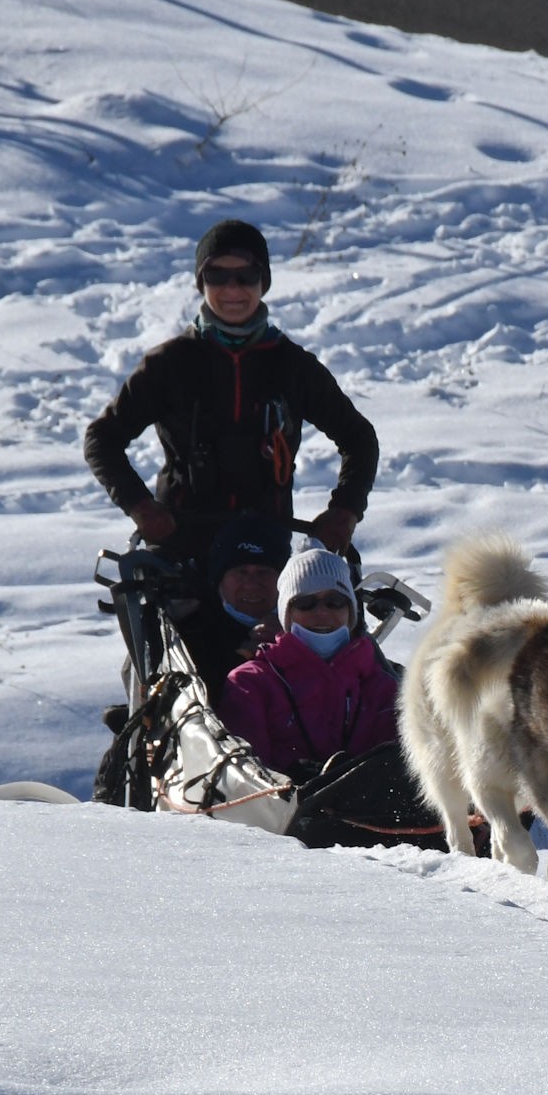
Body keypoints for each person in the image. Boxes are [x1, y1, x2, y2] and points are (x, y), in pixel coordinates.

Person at [82, 219, 378, 585]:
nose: (232, 288)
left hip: (265, 553)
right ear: (201, 283)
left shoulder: (292, 365)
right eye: (217, 276)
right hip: (181, 549)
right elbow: (102, 439)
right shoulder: (169, 364)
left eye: (246, 276)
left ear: (263, 282)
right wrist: (141, 508)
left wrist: (344, 512)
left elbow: (358, 438)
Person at [223, 548, 440, 848]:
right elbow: (247, 780)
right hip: (289, 840)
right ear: (287, 613)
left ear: (350, 610)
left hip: (383, 834)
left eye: (335, 601)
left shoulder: (384, 685)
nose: (322, 612)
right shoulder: (251, 684)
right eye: (306, 603)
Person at [177, 512, 286, 708]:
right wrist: (245, 655)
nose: (252, 584)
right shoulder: (192, 631)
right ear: (220, 581)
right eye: (241, 572)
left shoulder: (308, 622)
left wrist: (287, 645)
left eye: (264, 572)